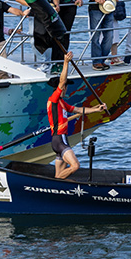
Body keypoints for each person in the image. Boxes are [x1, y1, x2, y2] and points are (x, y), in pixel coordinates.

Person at [48, 51, 107, 180]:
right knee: (75, 166)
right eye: (65, 87)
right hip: (59, 140)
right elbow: (62, 82)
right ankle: (51, 183)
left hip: (60, 140)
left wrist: (96, 109)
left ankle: (57, 187)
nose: (66, 89)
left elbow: (80, 110)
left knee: (59, 175)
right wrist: (66, 62)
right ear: (61, 89)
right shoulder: (53, 100)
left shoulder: (63, 103)